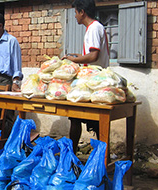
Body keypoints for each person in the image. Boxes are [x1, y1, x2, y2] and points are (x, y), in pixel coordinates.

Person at [61, 0, 110, 153]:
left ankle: (98, 157)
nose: (75, 16)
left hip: (95, 82)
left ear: (82, 12)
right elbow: (90, 55)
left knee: (87, 121)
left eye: (76, 13)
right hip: (92, 80)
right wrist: (79, 56)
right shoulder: (93, 27)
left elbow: (94, 56)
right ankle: (76, 154)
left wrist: (74, 60)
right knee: (76, 118)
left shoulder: (94, 28)